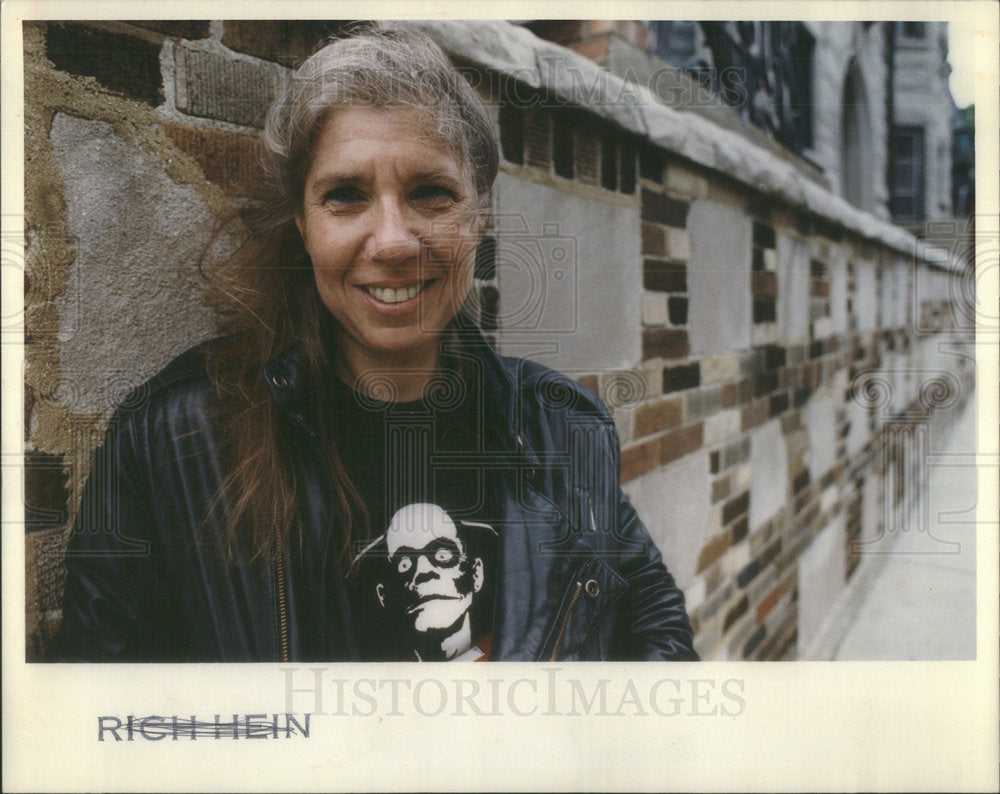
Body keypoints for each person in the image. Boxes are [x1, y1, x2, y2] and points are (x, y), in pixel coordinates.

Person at [49, 24, 697, 662]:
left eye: (430, 193)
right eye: (346, 196)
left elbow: (653, 620)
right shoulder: (172, 445)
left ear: (480, 216)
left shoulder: (559, 428)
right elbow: (99, 724)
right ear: (303, 223)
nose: (390, 242)